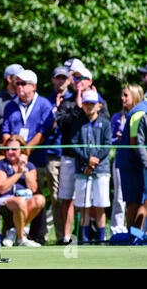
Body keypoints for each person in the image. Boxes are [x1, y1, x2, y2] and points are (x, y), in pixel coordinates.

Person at [56, 64, 110, 244]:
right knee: (75, 200)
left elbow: (106, 138)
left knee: (98, 203)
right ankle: (71, 237)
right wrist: (78, 107)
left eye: (82, 78)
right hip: (75, 160)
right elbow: (65, 128)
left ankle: (98, 236)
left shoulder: (101, 108)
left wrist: (93, 161)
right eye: (75, 78)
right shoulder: (68, 102)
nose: (78, 82)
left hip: (97, 165)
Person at [1, 69, 54, 244]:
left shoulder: (44, 104)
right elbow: (6, 132)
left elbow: (43, 132)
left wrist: (24, 151)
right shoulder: (10, 105)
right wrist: (13, 153)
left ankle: (36, 235)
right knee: (11, 197)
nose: (19, 87)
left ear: (33, 86)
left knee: (35, 195)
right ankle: (9, 233)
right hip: (12, 160)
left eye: (23, 83)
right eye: (17, 83)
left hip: (36, 159)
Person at [0, 134, 46, 247]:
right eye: (7, 149)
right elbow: (1, 188)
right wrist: (18, 173)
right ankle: (21, 238)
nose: (10, 151)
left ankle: (14, 232)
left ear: (22, 151)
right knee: (20, 202)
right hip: (4, 200)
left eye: (14, 149)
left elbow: (33, 188)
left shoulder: (29, 166)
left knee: (40, 199)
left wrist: (24, 170)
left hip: (24, 200)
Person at [70, 90, 112, 243]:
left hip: (101, 170)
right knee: (84, 205)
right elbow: (74, 145)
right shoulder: (77, 123)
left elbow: (107, 145)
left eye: (92, 104)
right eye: (86, 103)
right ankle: (84, 238)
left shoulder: (105, 123)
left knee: (100, 205)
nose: (89, 106)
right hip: (82, 169)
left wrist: (95, 160)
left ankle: (101, 238)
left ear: (99, 106)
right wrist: (87, 160)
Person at [110, 84, 144, 236]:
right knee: (134, 202)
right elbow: (135, 144)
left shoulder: (138, 111)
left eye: (126, 95)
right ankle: (134, 235)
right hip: (132, 164)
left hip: (133, 163)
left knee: (135, 201)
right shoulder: (139, 113)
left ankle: (135, 235)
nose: (122, 98)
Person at [45, 66, 73, 242]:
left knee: (70, 197)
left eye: (64, 78)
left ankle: (71, 234)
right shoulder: (46, 101)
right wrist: (55, 113)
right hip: (52, 153)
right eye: (58, 78)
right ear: (53, 80)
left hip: (71, 154)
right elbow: (46, 129)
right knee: (56, 198)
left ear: (69, 80)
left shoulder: (76, 99)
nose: (61, 81)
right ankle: (61, 235)